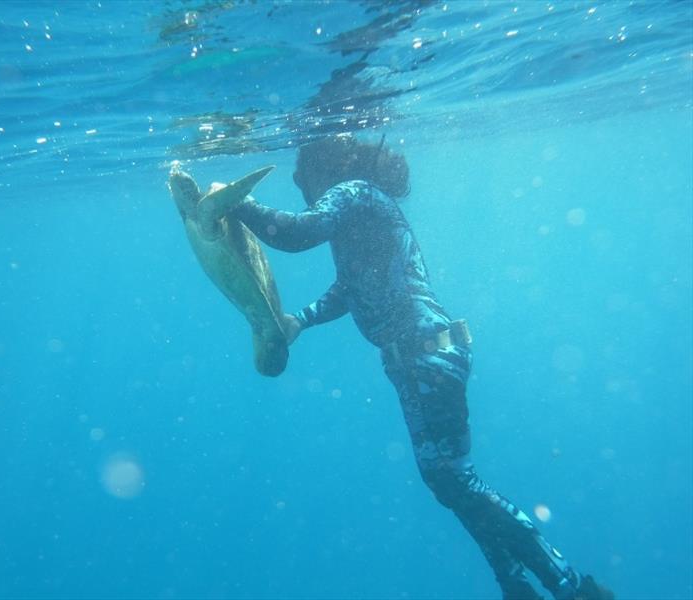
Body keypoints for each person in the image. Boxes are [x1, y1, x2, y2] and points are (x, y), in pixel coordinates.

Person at [232, 134, 615, 600]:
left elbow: (296, 234)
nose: (298, 184)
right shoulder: (362, 205)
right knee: (449, 482)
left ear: (321, 167)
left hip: (425, 356)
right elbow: (350, 287)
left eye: (300, 175)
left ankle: (570, 586)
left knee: (454, 480)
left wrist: (239, 203)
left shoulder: (353, 192)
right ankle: (519, 585)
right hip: (422, 357)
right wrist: (301, 321)